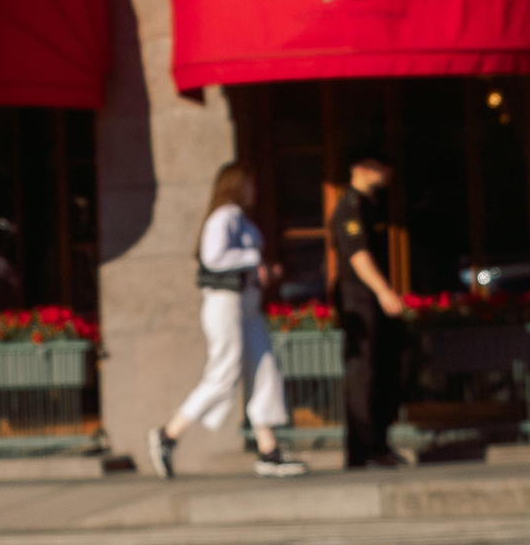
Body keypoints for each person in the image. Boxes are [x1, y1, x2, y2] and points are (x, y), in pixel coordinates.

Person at [148, 161, 307, 480]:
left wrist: (262, 271)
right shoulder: (224, 217)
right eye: (249, 183)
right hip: (225, 305)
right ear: (237, 184)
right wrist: (254, 260)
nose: (254, 190)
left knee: (264, 370)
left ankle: (268, 450)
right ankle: (168, 434)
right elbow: (213, 257)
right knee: (223, 375)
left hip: (247, 304)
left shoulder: (238, 218)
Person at [328, 156, 406, 467]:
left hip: (370, 298)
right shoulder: (349, 207)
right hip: (357, 300)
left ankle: (376, 442)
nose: (387, 171)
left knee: (386, 366)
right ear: (360, 168)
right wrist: (384, 290)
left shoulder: (371, 204)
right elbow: (358, 256)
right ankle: (364, 447)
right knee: (364, 373)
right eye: (379, 166)